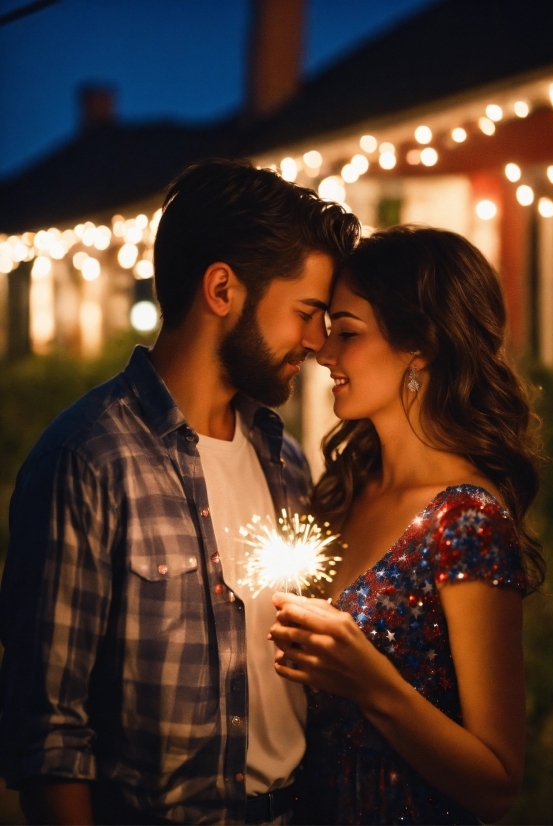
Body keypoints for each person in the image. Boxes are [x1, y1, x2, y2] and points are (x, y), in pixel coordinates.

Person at [0, 158, 360, 825]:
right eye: (305, 312)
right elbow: (50, 738)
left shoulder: (284, 461)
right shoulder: (88, 460)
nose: (316, 342)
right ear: (222, 289)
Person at [269, 225, 545, 825]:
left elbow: (498, 782)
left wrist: (373, 684)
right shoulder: (342, 492)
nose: (325, 353)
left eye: (348, 333)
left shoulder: (465, 521)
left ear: (419, 343)